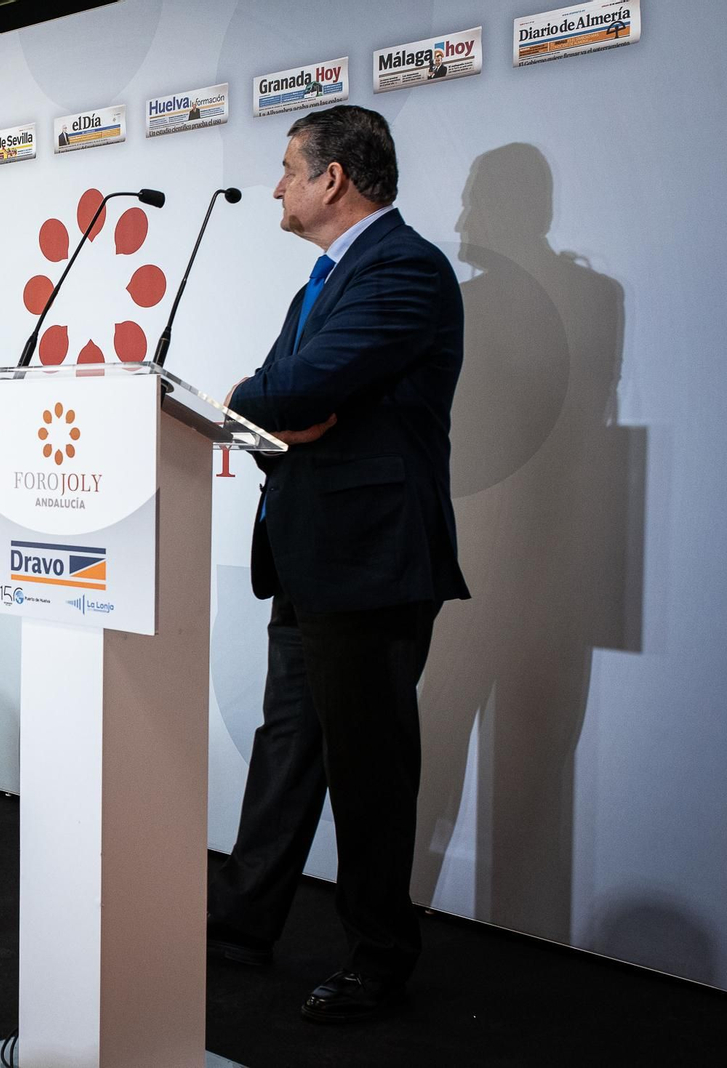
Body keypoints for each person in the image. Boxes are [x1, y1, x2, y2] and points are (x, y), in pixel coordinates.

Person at [212, 105, 469, 1023]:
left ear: (333, 179)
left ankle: (379, 959)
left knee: (369, 772)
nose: (276, 187)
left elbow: (295, 388)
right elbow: (269, 405)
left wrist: (273, 401)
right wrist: (271, 404)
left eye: (288, 169)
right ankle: (242, 925)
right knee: (288, 751)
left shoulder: (404, 268)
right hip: (309, 553)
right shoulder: (327, 278)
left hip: (371, 561)